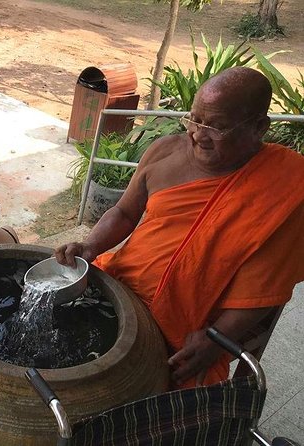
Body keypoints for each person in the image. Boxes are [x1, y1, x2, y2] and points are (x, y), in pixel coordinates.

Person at [55, 67, 304, 389]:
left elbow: (265, 286)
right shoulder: (164, 152)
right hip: (118, 285)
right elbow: (125, 212)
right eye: (195, 119)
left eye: (218, 127)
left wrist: (216, 339)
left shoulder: (286, 186)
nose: (199, 134)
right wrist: (91, 246)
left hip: (187, 324)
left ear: (258, 128)